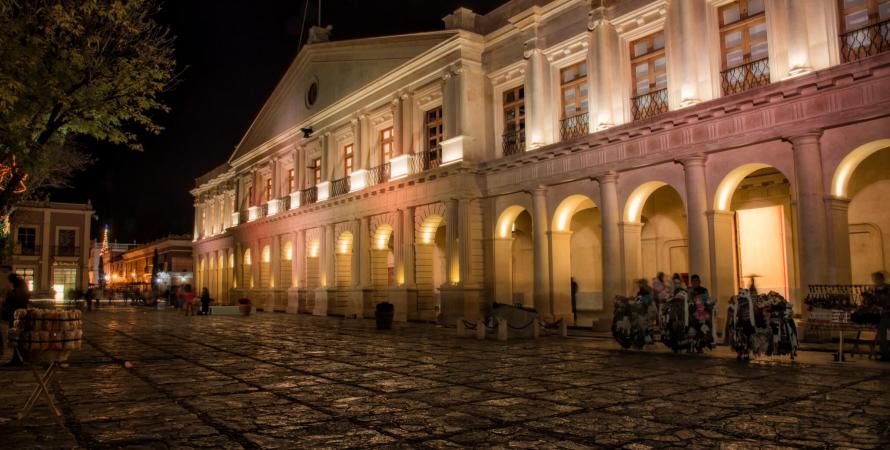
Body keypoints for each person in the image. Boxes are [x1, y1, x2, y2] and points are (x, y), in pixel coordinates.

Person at [3, 274, 31, 366]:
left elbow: (12, 300)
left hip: (17, 318)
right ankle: (17, 358)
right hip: (18, 317)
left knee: (16, 339)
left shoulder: (18, 290)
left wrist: (8, 293)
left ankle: (18, 359)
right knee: (16, 339)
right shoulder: (22, 288)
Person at [872, 271, 890, 362]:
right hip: (882, 316)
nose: (874, 281)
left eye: (875, 279)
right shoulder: (875, 290)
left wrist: (883, 307)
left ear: (881, 279)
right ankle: (885, 354)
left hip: (888, 313)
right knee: (882, 336)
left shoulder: (888, 288)